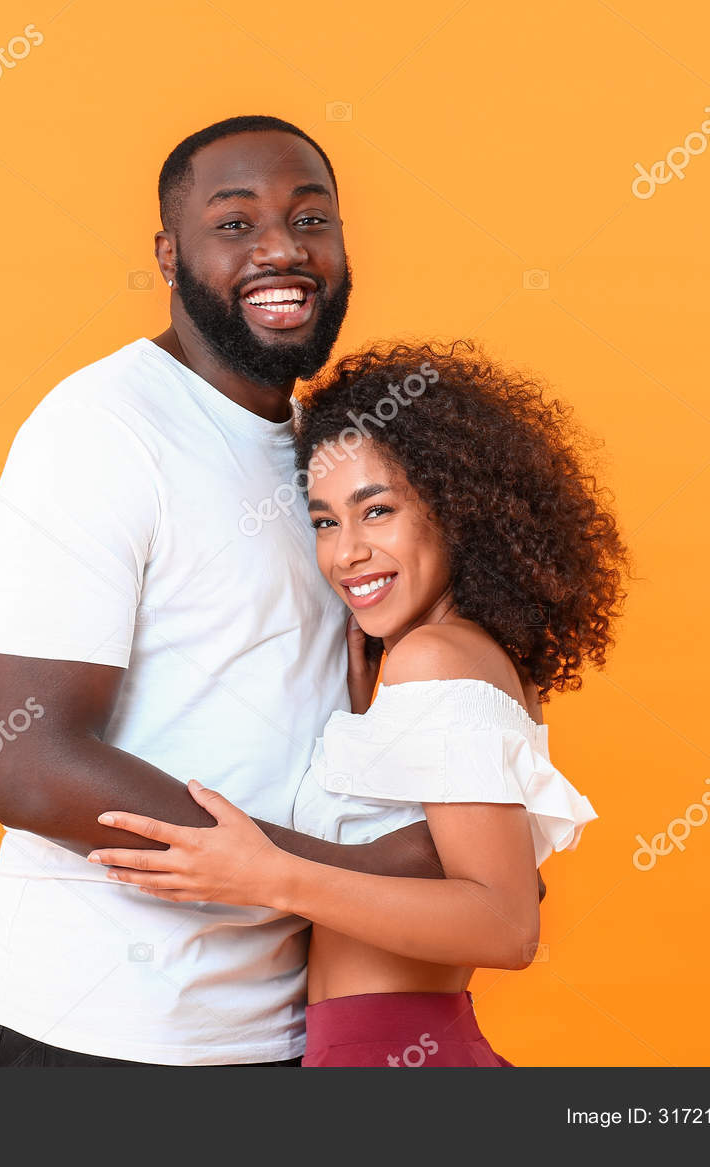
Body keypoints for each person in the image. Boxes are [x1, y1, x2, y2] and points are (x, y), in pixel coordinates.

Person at [0, 115, 449, 1067]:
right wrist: (349, 875)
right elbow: (30, 764)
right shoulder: (100, 430)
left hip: (282, 1027)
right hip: (96, 1032)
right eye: (234, 224)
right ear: (168, 255)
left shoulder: (333, 462)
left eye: (311, 218)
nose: (282, 250)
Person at [90, 341, 629, 1066]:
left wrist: (269, 875)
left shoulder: (434, 659)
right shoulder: (474, 658)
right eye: (324, 521)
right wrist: (361, 721)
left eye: (376, 510)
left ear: (456, 509)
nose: (346, 552)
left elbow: (506, 924)